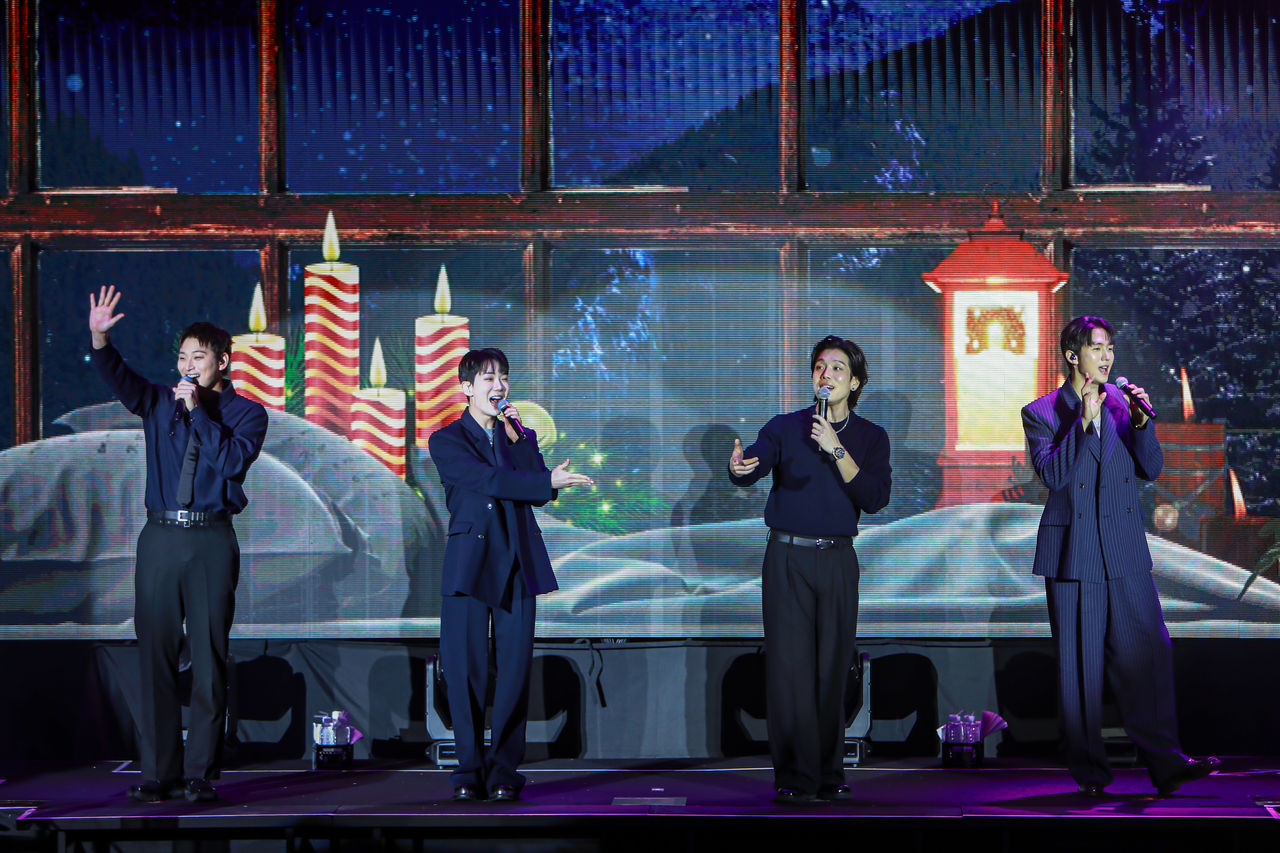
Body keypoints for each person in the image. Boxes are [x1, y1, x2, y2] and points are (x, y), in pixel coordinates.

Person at [1021, 315, 1218, 797]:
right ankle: (1090, 773)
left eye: (1110, 347)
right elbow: (1053, 476)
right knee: (1081, 668)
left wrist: (1143, 422)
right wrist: (1084, 422)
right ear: (1073, 355)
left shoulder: (1120, 402)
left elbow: (1151, 468)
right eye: (1096, 348)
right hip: (1074, 552)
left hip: (1124, 547)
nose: (1106, 357)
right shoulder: (1042, 411)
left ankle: (1166, 763)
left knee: (1149, 652)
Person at [88, 285, 269, 803]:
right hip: (161, 538)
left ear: (222, 362)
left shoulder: (247, 414)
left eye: (199, 357)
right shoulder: (157, 404)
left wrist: (197, 413)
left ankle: (200, 773)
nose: (188, 366)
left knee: (209, 658)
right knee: (156, 654)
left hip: (211, 538)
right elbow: (120, 379)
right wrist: (100, 339)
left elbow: (230, 462)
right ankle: (159, 772)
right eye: (183, 357)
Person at [727, 335, 892, 805]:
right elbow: (755, 461)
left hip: (837, 559)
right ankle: (794, 776)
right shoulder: (785, 427)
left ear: (854, 382)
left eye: (838, 368)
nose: (826, 374)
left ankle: (829, 773)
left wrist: (836, 448)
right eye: (820, 366)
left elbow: (874, 498)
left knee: (832, 670)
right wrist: (740, 468)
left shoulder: (870, 437)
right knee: (789, 671)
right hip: (787, 558)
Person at [427, 347, 593, 802]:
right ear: (466, 387)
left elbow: (537, 490)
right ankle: (468, 770)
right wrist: (545, 481)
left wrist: (519, 439)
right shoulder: (446, 440)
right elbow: (489, 481)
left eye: (503, 377)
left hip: (517, 558)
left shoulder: (518, 434)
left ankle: (503, 770)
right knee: (464, 670)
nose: (498, 385)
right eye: (488, 378)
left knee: (515, 669)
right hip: (470, 562)